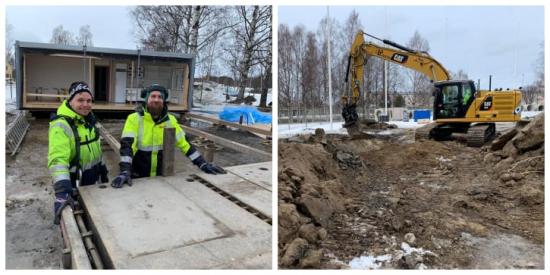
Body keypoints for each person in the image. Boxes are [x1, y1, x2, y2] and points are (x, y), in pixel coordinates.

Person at [111, 84, 225, 188]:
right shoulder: (134, 119)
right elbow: (127, 146)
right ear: (146, 99)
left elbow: (184, 144)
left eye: (160, 97)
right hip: (138, 176)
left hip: (162, 176)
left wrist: (202, 163)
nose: (156, 100)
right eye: (153, 96)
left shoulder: (170, 120)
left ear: (164, 101)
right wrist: (125, 171)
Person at [48, 81, 108, 224]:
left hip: (92, 182)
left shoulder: (89, 122)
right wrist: (62, 191)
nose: (85, 104)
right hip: (73, 185)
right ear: (70, 101)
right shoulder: (61, 125)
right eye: (80, 100)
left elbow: (97, 151)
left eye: (88, 100)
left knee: (94, 220)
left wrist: (104, 172)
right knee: (77, 223)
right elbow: (57, 160)